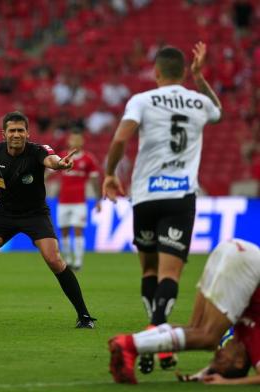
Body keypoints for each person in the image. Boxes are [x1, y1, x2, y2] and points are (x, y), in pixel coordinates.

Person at [103, 42, 222, 371]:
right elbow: (218, 111)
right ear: (184, 72)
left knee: (149, 271)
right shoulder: (198, 100)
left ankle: (153, 338)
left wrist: (110, 174)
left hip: (144, 197)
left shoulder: (141, 100)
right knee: (170, 275)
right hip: (180, 197)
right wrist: (200, 79)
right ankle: (158, 339)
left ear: (155, 72)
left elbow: (120, 139)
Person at [0, 111, 96, 328]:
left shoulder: (37, 151)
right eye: (12, 130)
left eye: (21, 130)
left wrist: (61, 164)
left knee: (54, 259)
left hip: (35, 214)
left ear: (28, 133)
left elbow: (51, 159)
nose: (17, 134)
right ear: (4, 133)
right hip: (4, 214)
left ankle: (84, 316)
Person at [108, 238, 260, 385]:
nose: (218, 354)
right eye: (220, 360)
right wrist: (226, 383)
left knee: (195, 328)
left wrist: (201, 376)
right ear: (239, 362)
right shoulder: (255, 348)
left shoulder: (242, 339)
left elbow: (222, 364)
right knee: (208, 338)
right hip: (248, 263)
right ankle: (130, 345)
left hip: (230, 249)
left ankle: (129, 340)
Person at [56, 130, 101, 271]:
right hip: (63, 201)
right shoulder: (62, 156)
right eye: (73, 139)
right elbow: (49, 172)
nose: (75, 142)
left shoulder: (88, 159)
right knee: (63, 231)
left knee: (78, 230)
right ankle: (68, 260)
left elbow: (94, 180)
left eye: (78, 139)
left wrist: (98, 200)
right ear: (69, 141)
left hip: (79, 202)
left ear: (82, 142)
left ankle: (78, 262)